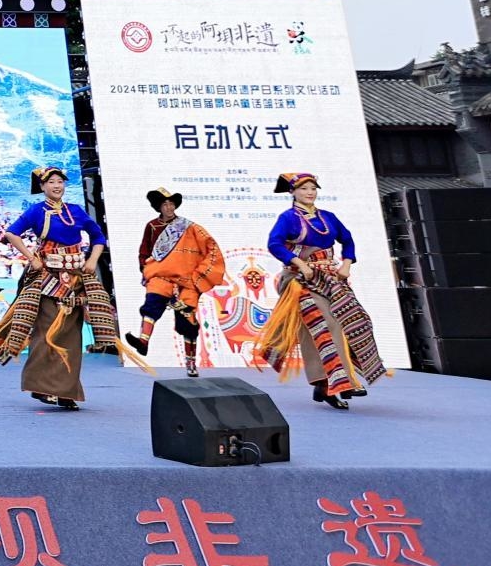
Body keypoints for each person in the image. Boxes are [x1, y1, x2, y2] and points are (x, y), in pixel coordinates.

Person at [0, 165, 138, 410]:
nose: (56, 186)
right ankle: (42, 387)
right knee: (46, 333)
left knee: (71, 336)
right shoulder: (36, 211)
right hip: (47, 278)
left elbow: (98, 237)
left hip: (75, 279)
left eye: (60, 182)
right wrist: (31, 258)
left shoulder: (76, 211)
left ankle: (65, 391)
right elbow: (11, 233)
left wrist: (93, 260)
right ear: (42, 186)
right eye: (51, 182)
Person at [255, 171, 389, 410]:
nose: (310, 193)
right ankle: (334, 383)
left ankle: (335, 381)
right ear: (293, 192)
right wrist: (300, 263)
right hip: (300, 280)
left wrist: (346, 263)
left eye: (313, 188)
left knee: (354, 319)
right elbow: (274, 244)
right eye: (304, 188)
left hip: (329, 277)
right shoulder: (288, 218)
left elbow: (347, 240)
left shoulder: (328, 217)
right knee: (324, 323)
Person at [124, 189, 225, 377]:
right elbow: (144, 251)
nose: (169, 207)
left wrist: (198, 275)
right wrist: (146, 268)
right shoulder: (152, 226)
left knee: (188, 320)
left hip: (186, 280)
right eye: (165, 204)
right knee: (152, 305)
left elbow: (209, 245)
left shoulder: (189, 227)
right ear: (159, 207)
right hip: (161, 276)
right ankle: (143, 341)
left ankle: (191, 363)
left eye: (171, 203)